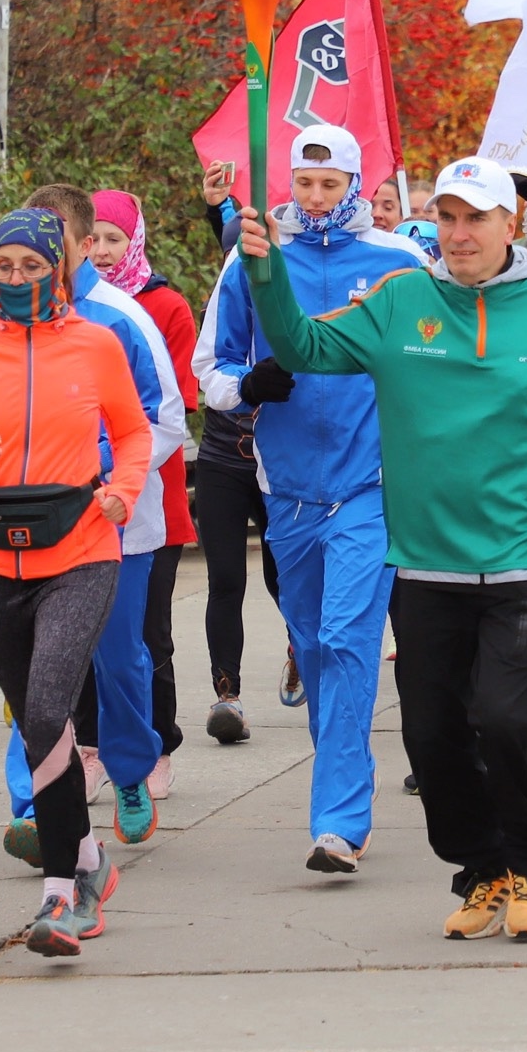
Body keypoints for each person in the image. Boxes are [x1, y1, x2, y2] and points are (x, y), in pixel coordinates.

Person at [235, 155, 527, 942]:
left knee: (509, 718)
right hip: (425, 562)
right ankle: (480, 870)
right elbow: (305, 348)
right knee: (432, 734)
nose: (458, 234)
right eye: (447, 218)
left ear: (506, 225)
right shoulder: (401, 301)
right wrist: (265, 274)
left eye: (475, 219)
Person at [0, 207, 152, 955]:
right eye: (4, 268)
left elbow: (138, 432)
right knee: (35, 718)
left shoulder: (99, 344)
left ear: (61, 268)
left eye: (30, 268)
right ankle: (86, 859)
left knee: (48, 708)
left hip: (81, 553)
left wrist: (124, 490)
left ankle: (62, 897)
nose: (14, 281)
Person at [197, 124, 426, 872]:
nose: (317, 198)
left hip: (371, 485)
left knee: (349, 638)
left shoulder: (397, 262)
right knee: (315, 648)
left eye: (331, 185)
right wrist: (248, 388)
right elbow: (212, 365)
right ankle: (343, 785)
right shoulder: (254, 259)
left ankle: (338, 820)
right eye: (304, 183)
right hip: (288, 488)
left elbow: (433, 356)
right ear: (288, 183)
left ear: (357, 184)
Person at [9, 182, 187, 847]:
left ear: (86, 246)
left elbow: (164, 420)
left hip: (116, 523)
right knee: (33, 665)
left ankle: (132, 767)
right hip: (31, 524)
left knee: (118, 660)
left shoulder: (123, 317)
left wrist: (99, 474)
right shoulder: (8, 317)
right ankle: (33, 804)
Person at [86, 189, 203, 798]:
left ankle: (157, 742)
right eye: (94, 238)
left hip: (148, 491)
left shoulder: (159, 308)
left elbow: (174, 406)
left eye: (114, 239)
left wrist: (111, 462)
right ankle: (90, 746)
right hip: (69, 506)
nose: (103, 251)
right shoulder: (55, 307)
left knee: (143, 633)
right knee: (77, 636)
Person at [192, 159, 284, 742]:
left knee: (285, 578)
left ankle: (305, 648)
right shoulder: (227, 287)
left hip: (284, 459)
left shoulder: (295, 283)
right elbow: (211, 368)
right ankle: (228, 696)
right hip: (225, 452)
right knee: (226, 579)